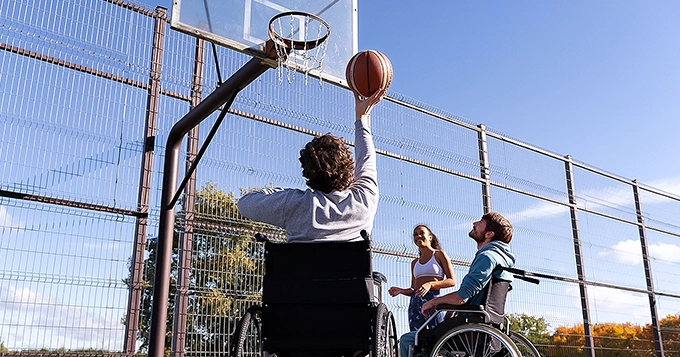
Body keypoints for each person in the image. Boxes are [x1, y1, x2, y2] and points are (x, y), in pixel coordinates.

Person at [237, 87, 387, 243]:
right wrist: (361, 118)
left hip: (299, 268)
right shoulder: (364, 200)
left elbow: (244, 204)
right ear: (349, 169)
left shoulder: (293, 203)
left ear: (307, 173)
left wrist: (282, 194)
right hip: (352, 268)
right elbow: (366, 158)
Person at [400, 212, 516, 357]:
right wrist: (452, 310)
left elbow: (461, 297)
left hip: (468, 328)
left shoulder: (487, 257)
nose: (474, 223)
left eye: (480, 222)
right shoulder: (501, 259)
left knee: (408, 340)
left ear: (489, 234)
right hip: (487, 323)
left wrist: (433, 302)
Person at [388, 225, 456, 357]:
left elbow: (452, 281)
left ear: (430, 237)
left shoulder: (439, 255)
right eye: (415, 234)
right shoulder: (414, 263)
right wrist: (401, 291)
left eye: (421, 233)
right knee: (417, 341)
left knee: (435, 340)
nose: (418, 236)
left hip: (433, 303)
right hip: (415, 305)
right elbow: (414, 289)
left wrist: (431, 284)